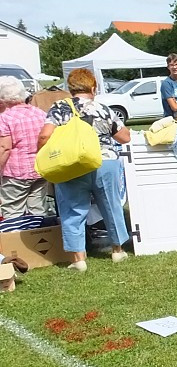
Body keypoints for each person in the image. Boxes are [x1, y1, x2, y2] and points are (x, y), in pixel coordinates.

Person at [38, 67, 131, 271]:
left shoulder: (59, 107)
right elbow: (125, 137)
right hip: (105, 161)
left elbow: (45, 135)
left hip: (73, 163)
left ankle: (78, 259)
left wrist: (41, 153)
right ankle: (117, 251)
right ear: (93, 87)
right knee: (111, 206)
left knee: (72, 210)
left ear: (70, 88)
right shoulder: (103, 108)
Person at [0, 77, 48, 217]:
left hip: (15, 173)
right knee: (38, 210)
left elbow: (4, 148)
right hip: (40, 169)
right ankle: (39, 238)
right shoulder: (40, 113)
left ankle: (14, 238)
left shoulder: (5, 118)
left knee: (12, 211)